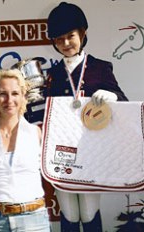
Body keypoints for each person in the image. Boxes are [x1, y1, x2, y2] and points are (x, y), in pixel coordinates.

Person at [45, 2, 128, 232]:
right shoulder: (52, 75)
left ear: (83, 34)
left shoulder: (100, 68)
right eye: (59, 39)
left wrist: (111, 95)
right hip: (61, 152)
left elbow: (122, 99)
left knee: (88, 211)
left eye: (70, 36)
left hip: (92, 147)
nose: (65, 43)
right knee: (70, 212)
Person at [0, 69, 50, 232]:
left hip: (34, 221)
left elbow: (49, 179)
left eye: (15, 93)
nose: (9, 100)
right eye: (2, 94)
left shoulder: (38, 134)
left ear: (23, 97)